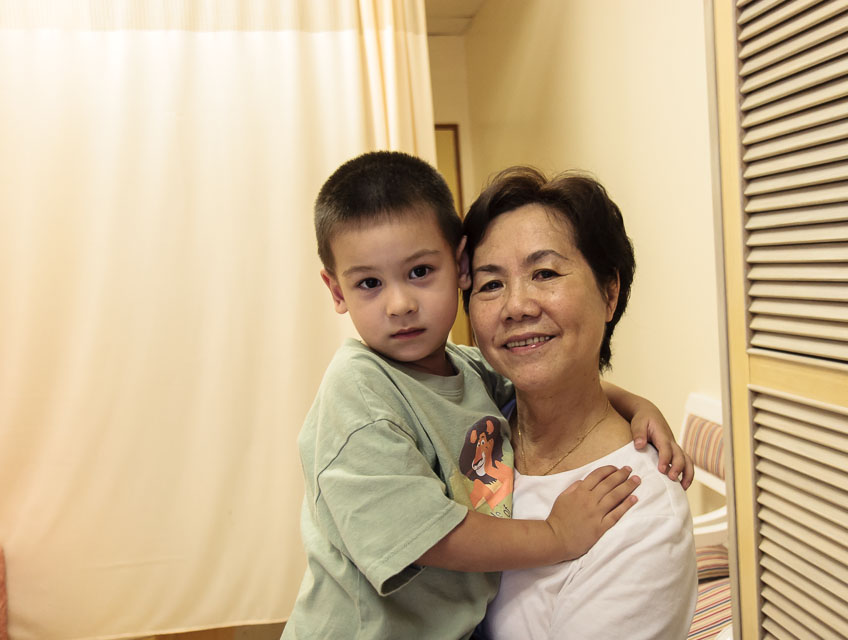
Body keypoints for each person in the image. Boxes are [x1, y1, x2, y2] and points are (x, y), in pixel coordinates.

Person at [281, 151, 692, 640]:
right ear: (336, 290)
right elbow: (429, 534)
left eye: (545, 273)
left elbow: (537, 381)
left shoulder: (467, 373)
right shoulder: (360, 396)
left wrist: (636, 405)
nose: (400, 304)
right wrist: (555, 535)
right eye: (493, 283)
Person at [463, 167, 698, 639]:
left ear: (609, 294)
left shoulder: (638, 511)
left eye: (545, 273)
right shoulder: (475, 421)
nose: (516, 306)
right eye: (490, 284)